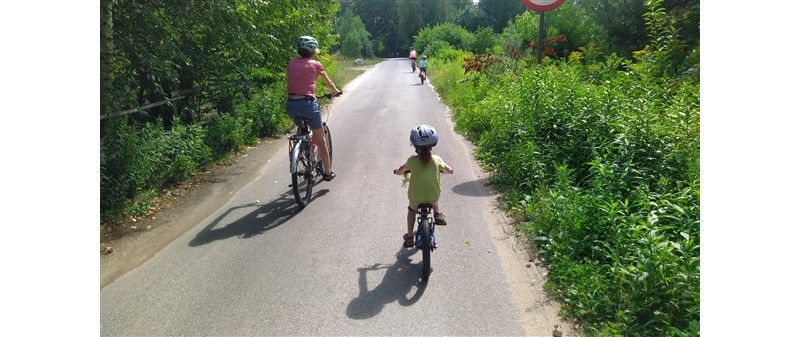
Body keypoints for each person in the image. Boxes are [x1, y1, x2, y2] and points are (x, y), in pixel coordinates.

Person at [286, 36, 341, 181]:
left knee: (302, 125)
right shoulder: (316, 64)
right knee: (321, 140)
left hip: (291, 105)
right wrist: (335, 91)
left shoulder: (291, 63)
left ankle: (303, 148)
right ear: (313, 51)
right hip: (308, 105)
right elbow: (328, 82)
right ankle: (328, 172)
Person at [393, 125, 454, 248]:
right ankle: (437, 214)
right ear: (433, 145)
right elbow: (448, 170)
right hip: (433, 195)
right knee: (434, 199)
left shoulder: (412, 161)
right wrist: (449, 171)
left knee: (411, 210)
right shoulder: (437, 160)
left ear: (415, 146)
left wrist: (397, 172)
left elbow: (400, 171)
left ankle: (410, 237)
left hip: (415, 197)